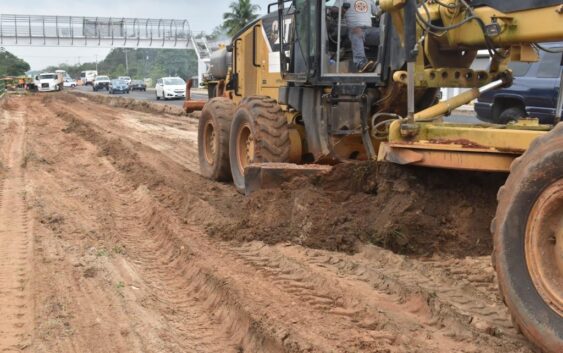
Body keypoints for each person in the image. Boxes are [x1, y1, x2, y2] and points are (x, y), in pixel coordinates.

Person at [333, 0, 381, 72]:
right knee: (357, 33)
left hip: (369, 30)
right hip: (354, 29)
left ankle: (386, 62)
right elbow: (334, 9)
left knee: (386, 33)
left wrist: (384, 5)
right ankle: (361, 64)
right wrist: (342, 9)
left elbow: (377, 12)